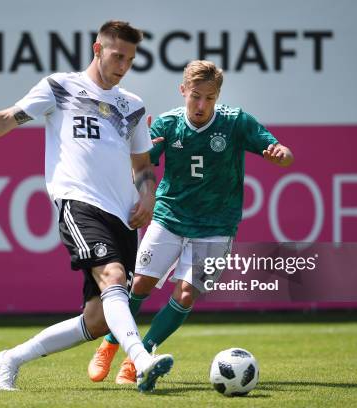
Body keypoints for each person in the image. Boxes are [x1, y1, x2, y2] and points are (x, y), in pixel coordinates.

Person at [0, 21, 173, 393]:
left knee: (98, 320)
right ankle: (141, 358)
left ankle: (10, 358)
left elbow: (144, 166)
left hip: (124, 216)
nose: (124, 65)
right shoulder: (61, 87)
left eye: (131, 59)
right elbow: (5, 120)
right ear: (97, 49)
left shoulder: (132, 105)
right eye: (118, 56)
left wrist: (147, 196)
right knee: (113, 278)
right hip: (79, 202)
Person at [87, 60, 294, 384]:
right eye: (195, 96)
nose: (201, 105)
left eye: (209, 98)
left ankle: (140, 356)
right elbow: (140, 165)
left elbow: (282, 151)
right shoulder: (168, 125)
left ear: (218, 96)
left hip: (215, 226)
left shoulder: (235, 122)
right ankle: (111, 343)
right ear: (183, 91)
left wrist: (280, 154)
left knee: (185, 294)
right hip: (170, 217)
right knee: (138, 285)